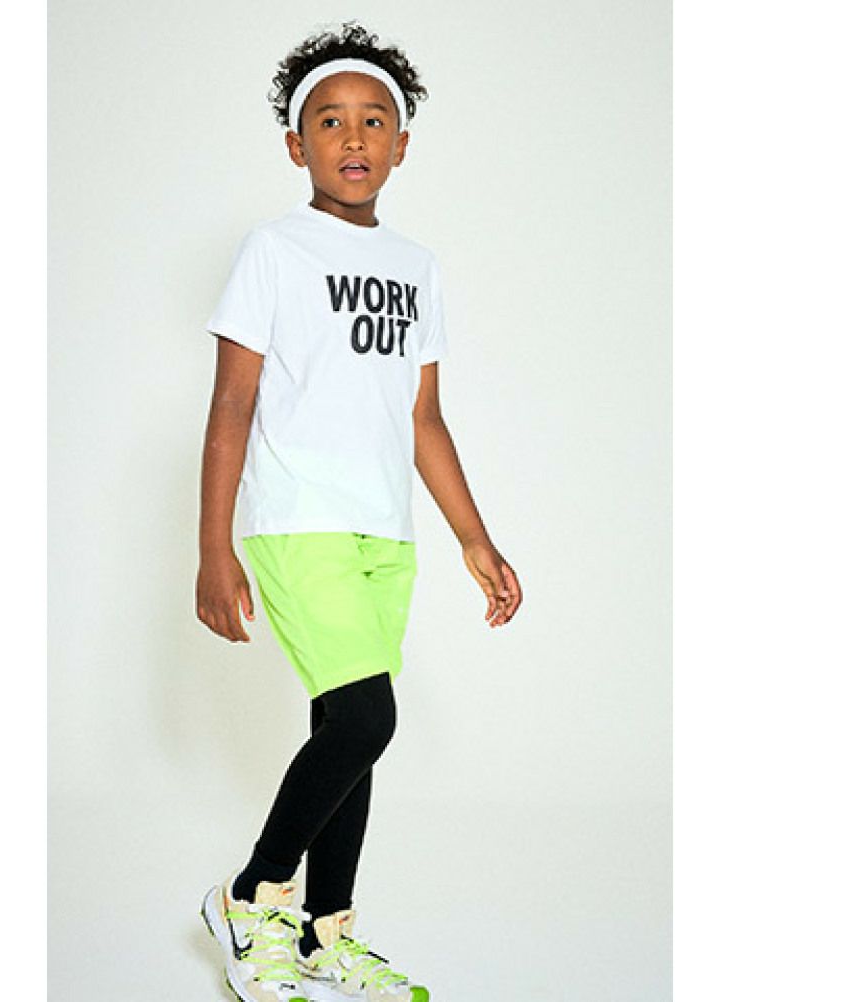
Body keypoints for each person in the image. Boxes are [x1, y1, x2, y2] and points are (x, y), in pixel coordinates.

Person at [196, 21, 523, 1002]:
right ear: (295, 145)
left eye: (373, 120)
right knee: (370, 719)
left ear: (402, 144)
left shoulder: (418, 266)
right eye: (329, 121)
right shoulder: (274, 250)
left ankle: (323, 933)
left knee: (349, 727)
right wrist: (213, 548)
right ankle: (251, 895)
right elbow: (232, 404)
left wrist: (473, 537)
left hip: (386, 529)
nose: (353, 136)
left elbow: (424, 416)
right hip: (297, 518)